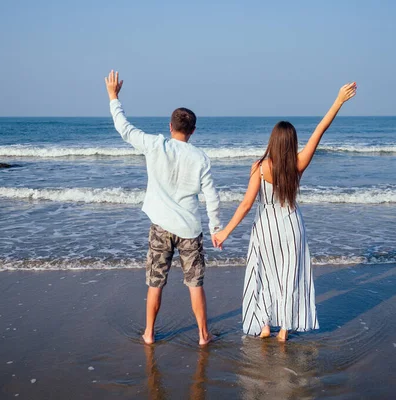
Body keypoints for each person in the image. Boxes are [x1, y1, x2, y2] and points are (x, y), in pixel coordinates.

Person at [213, 82, 357, 341]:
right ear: (291, 143)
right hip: (291, 226)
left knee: (264, 275)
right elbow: (320, 130)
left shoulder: (259, 167)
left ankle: (265, 325)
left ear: (273, 141)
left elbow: (246, 204)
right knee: (289, 276)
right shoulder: (298, 164)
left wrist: (225, 232)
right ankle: (284, 331)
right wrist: (338, 101)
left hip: (265, 229)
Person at [105, 70, 221, 345]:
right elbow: (212, 197)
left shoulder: (156, 145)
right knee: (195, 284)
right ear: (192, 131)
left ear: (170, 127)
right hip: (190, 230)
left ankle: (149, 333)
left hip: (161, 227)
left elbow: (124, 128)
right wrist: (216, 228)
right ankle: (203, 335)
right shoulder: (200, 158)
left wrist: (113, 97)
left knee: (155, 282)